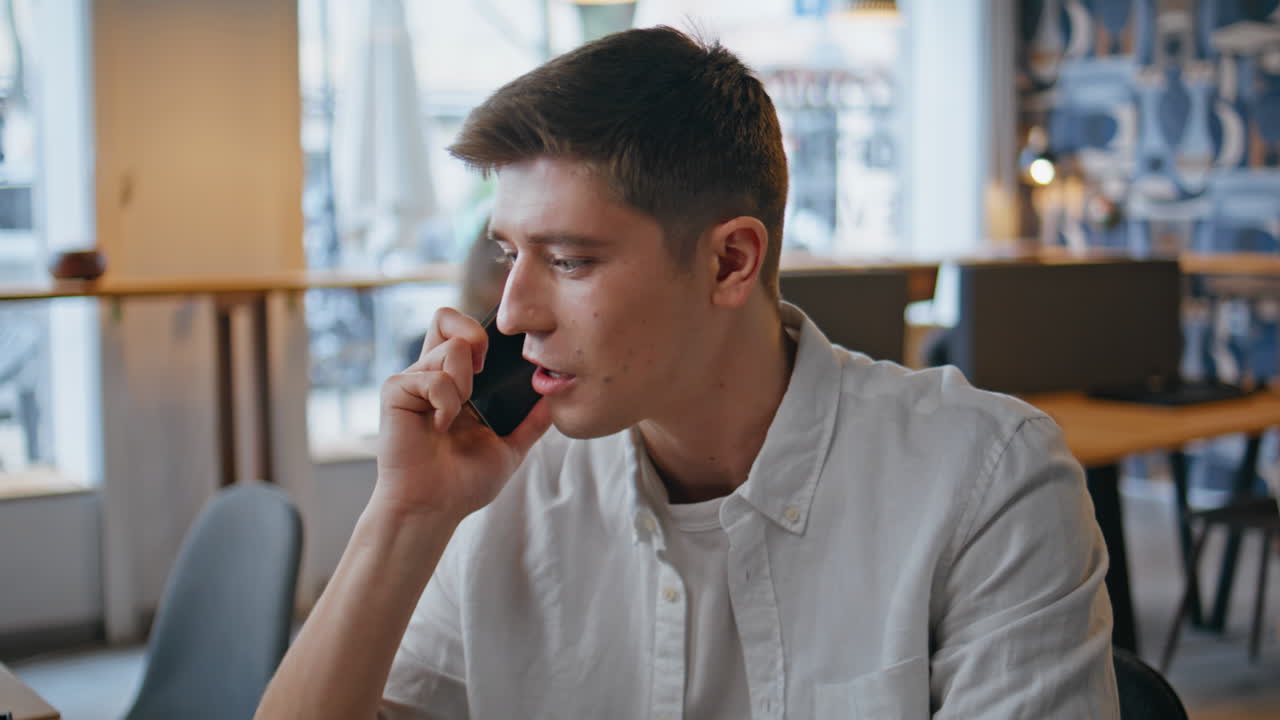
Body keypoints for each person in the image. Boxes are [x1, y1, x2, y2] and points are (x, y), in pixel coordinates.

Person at [258, 27, 1119, 718]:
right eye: (508, 252)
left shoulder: (986, 479)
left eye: (569, 259)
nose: (513, 311)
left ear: (729, 263)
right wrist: (406, 514)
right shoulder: (506, 485)